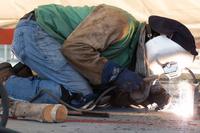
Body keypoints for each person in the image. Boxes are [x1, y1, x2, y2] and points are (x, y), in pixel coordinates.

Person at [0, 4, 198, 109]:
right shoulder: (120, 23)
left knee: (93, 97)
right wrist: (116, 74)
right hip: (36, 31)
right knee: (80, 95)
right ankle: (6, 83)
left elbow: (106, 94)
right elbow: (74, 49)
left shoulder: (132, 54)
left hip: (50, 45)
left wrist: (142, 97)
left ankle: (23, 76)